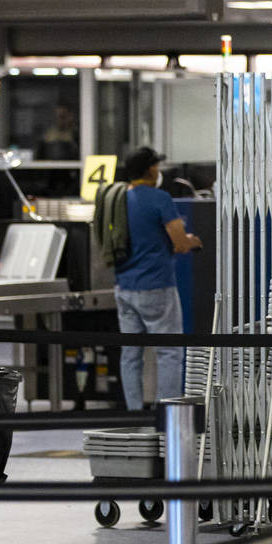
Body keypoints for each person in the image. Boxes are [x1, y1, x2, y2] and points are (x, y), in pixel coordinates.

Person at [114, 146, 202, 410]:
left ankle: (133, 412)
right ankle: (168, 413)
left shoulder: (118, 199)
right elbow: (179, 242)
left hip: (124, 286)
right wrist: (192, 241)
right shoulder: (159, 198)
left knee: (130, 355)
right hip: (157, 286)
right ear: (152, 169)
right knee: (169, 351)